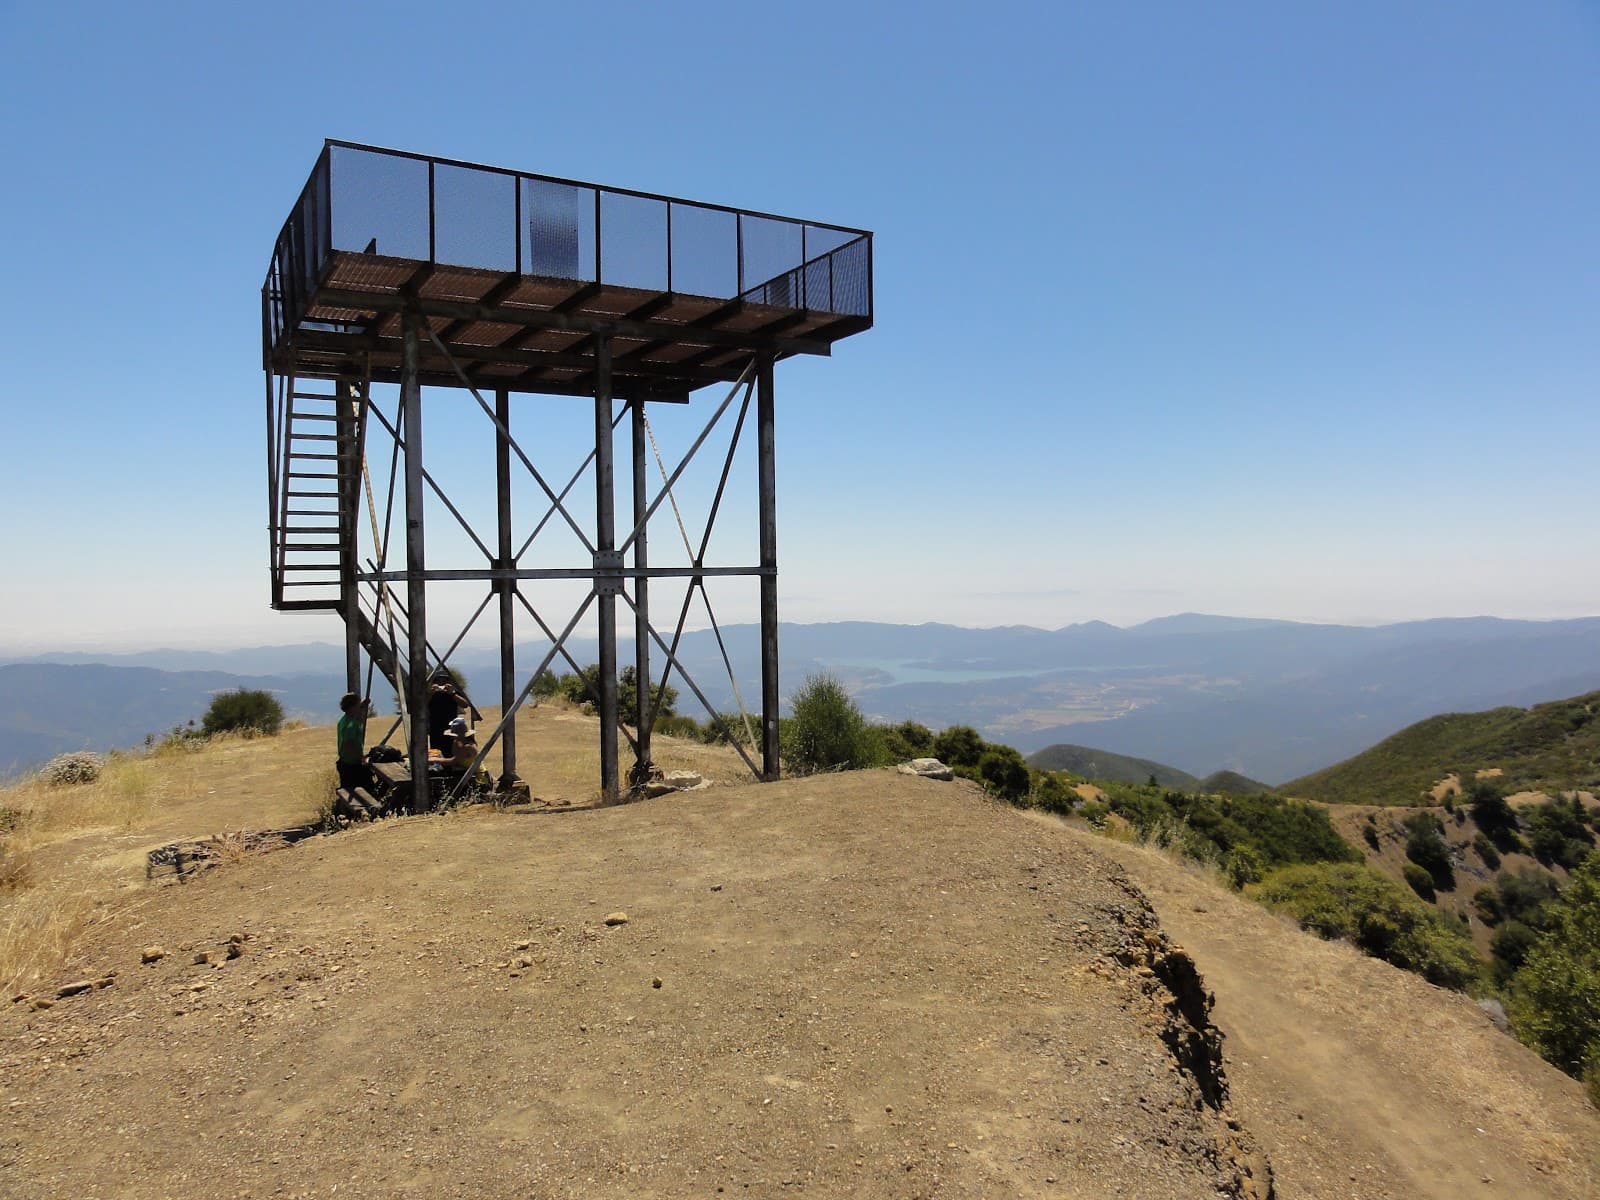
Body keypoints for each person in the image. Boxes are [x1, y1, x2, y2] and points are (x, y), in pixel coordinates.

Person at [335, 692, 374, 792]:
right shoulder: (351, 725)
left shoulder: (344, 720)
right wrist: (362, 758)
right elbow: (348, 745)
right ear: (352, 707)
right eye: (357, 704)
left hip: (344, 763)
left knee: (349, 790)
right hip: (352, 765)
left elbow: (354, 710)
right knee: (366, 789)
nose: (359, 707)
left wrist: (363, 704)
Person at [427, 673, 465, 753]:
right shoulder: (431, 694)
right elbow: (422, 705)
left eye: (444, 681)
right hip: (435, 728)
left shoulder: (453, 693)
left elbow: (465, 704)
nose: (442, 684)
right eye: (439, 681)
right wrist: (431, 693)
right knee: (436, 751)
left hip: (451, 728)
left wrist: (452, 694)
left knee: (451, 750)